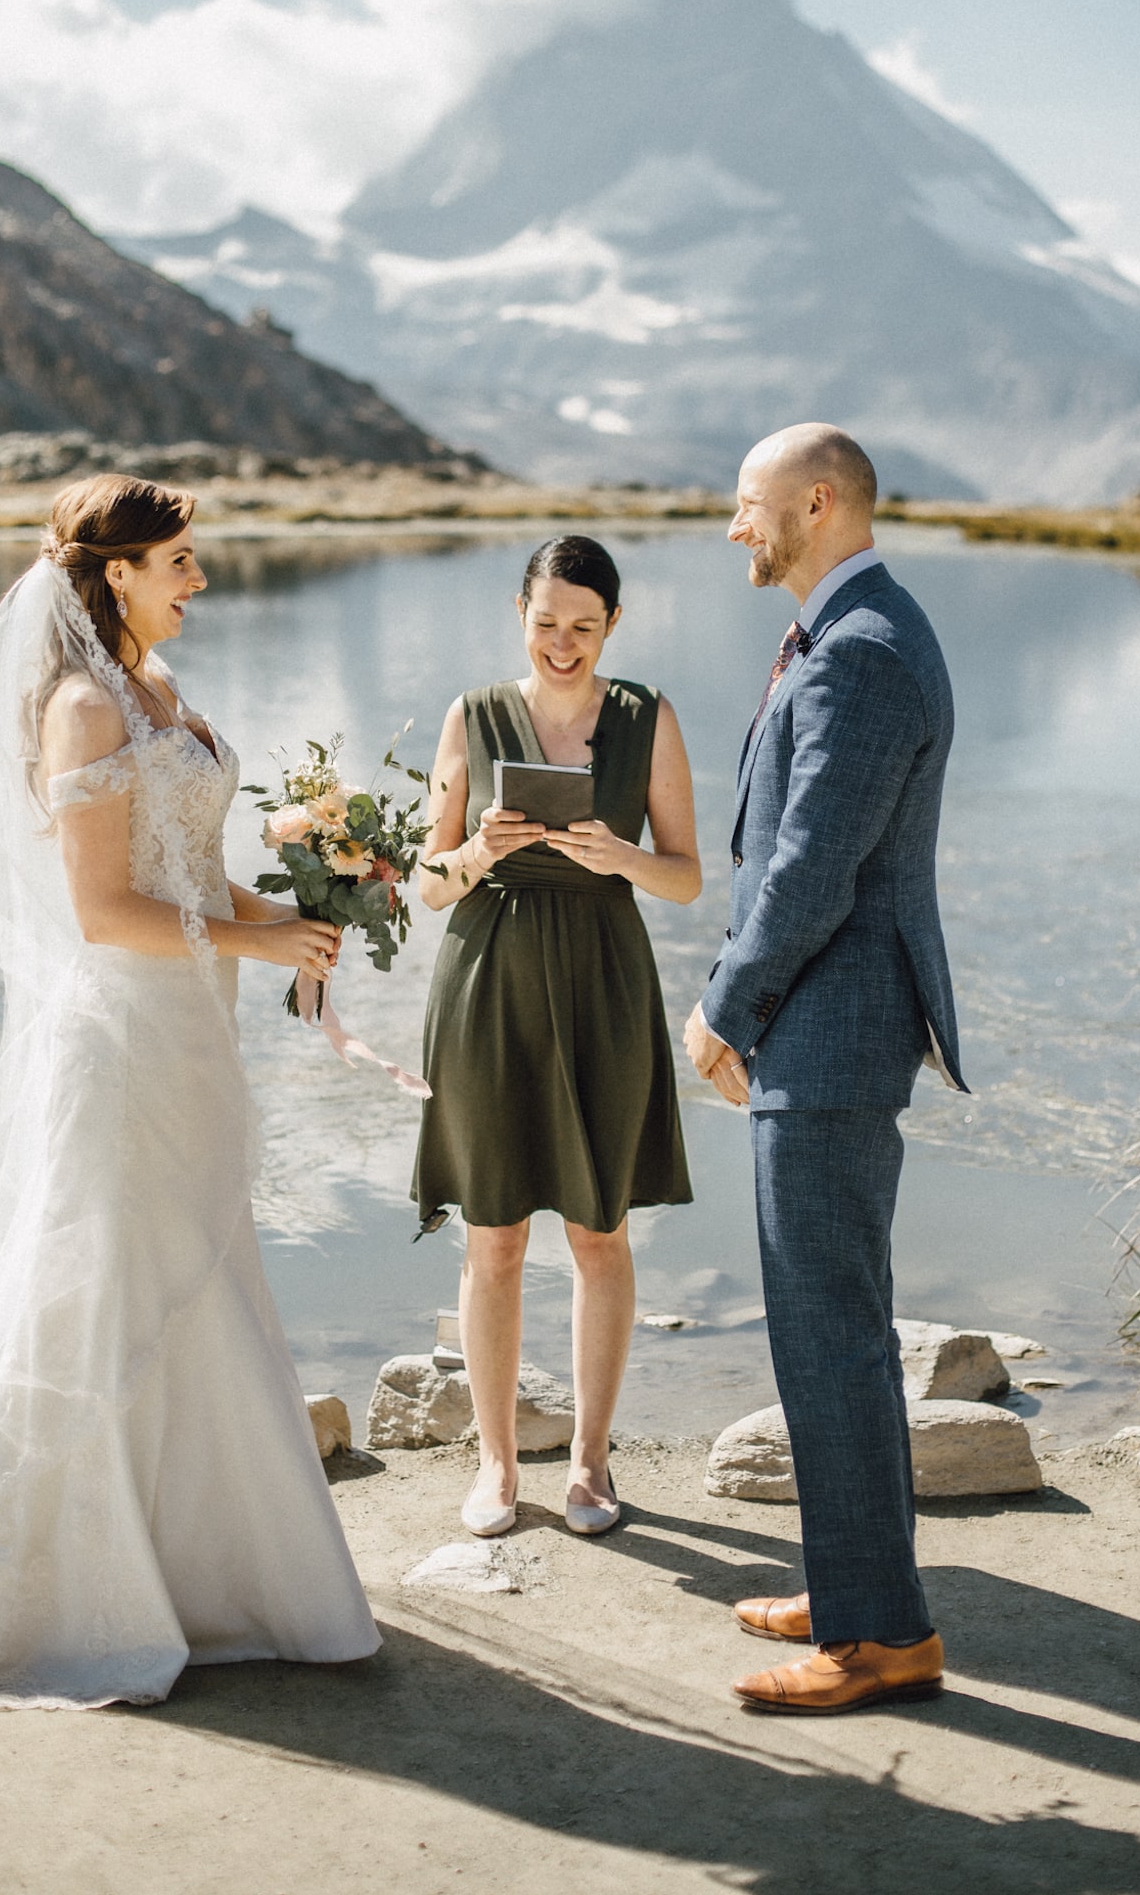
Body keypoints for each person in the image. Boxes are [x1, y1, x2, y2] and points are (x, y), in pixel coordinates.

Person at [0, 474, 379, 1709]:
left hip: (191, 1033)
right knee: (99, 1291)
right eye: (180, 560)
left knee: (200, 1271)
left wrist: (295, 915)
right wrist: (255, 946)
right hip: (120, 1042)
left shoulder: (163, 693)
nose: (200, 579)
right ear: (117, 572)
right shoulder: (83, 708)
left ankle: (204, 1577)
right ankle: (70, 1585)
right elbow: (104, 910)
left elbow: (190, 869)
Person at [684, 424, 968, 1715]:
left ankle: (881, 1641)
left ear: (815, 501)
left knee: (833, 1334)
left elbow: (809, 868)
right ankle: (853, 1584)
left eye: (750, 506)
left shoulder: (862, 653)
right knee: (824, 1326)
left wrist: (725, 1010)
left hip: (832, 1026)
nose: (736, 527)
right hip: (828, 1024)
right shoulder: (851, 631)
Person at [415, 535, 700, 1539]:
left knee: (599, 1227)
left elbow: (688, 875)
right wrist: (477, 849)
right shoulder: (471, 713)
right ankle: (495, 1465)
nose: (564, 643)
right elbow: (425, 883)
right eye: (546, 624)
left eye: (584, 625)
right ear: (520, 615)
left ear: (613, 623)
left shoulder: (648, 716)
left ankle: (589, 1461)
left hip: (604, 981)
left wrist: (620, 853)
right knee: (493, 1232)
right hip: (490, 975)